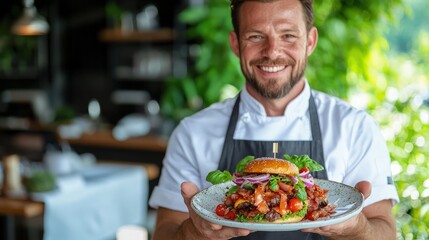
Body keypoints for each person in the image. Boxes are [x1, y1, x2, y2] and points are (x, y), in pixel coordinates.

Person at [148, 0, 399, 239]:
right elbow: (164, 233)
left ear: (310, 41)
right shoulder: (192, 132)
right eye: (255, 36)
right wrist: (196, 233)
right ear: (236, 44)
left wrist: (354, 228)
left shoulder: (354, 127)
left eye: (288, 35)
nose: (272, 52)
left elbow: (385, 233)